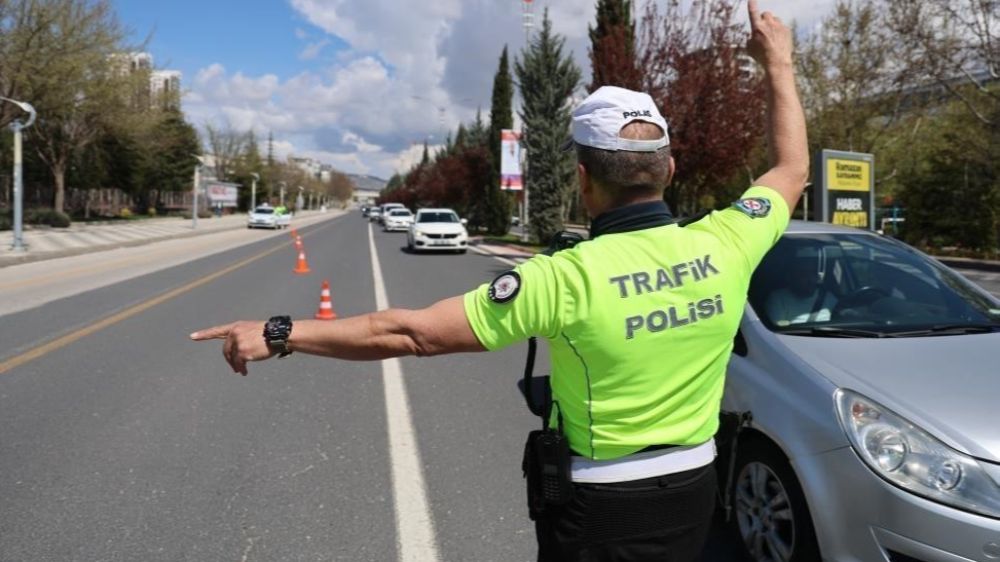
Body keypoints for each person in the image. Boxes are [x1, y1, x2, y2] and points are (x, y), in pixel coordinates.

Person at [190, 2, 807, 560]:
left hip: (599, 510)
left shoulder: (563, 278)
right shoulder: (729, 241)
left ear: (583, 180)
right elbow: (791, 168)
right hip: (696, 493)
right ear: (669, 168)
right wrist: (777, 60)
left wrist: (280, 331)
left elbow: (409, 334)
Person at [765, 256, 837, 325]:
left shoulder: (828, 297)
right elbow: (776, 329)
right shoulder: (778, 298)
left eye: (813, 273)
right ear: (790, 277)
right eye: (803, 274)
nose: (810, 280)